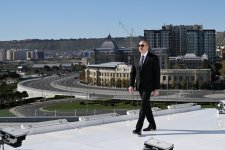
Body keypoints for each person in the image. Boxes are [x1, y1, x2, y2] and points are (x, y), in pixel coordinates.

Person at [129, 39, 160, 135]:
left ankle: (138, 128)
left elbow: (157, 74)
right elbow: (133, 72)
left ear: (147, 46)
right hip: (139, 86)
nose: (140, 47)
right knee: (146, 106)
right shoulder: (136, 57)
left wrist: (156, 88)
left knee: (143, 105)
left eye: (142, 45)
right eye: (139, 45)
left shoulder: (153, 58)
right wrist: (131, 85)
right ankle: (152, 125)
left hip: (149, 86)